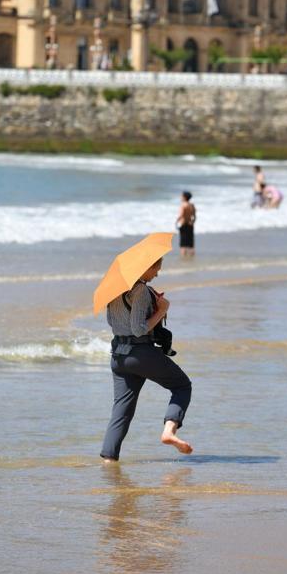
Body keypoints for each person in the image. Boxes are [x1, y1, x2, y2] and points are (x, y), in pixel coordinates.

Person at [100, 257, 192, 462]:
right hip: (140, 353)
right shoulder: (140, 290)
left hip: (118, 356)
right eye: (155, 269)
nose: (157, 274)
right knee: (182, 386)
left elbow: (111, 321)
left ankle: (109, 460)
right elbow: (139, 329)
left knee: (121, 410)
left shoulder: (113, 289)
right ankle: (169, 431)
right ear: (144, 267)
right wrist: (161, 310)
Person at [177, 191, 196, 257]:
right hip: (190, 224)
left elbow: (181, 215)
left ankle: (183, 258)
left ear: (185, 197)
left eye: (182, 196)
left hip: (183, 224)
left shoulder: (183, 205)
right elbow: (194, 216)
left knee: (183, 243)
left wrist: (177, 221)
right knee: (191, 243)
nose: (181, 197)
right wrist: (193, 222)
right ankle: (191, 257)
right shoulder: (192, 205)